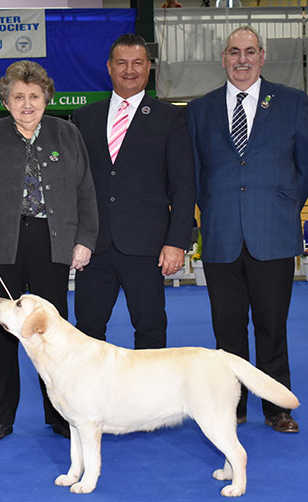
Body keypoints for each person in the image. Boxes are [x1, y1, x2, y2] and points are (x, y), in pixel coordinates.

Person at [0, 60, 98, 442]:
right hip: (0, 246)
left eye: (34, 96)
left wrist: (85, 239)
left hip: (52, 243)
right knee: (2, 334)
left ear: (45, 98)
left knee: (54, 335)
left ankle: (59, 415)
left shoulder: (67, 134)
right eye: (18, 96)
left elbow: (86, 190)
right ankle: (0, 417)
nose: (27, 104)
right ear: (5, 101)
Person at [187, 26, 308, 432]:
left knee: (272, 327)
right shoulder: (199, 110)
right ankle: (232, 406)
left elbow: (304, 167)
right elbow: (195, 174)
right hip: (221, 235)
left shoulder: (293, 103)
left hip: (272, 233)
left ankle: (277, 408)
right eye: (234, 51)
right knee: (228, 329)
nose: (242, 59)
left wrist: (287, 207)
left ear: (262, 56)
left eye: (250, 51)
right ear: (223, 58)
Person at [72, 33, 195, 350]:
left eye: (137, 63)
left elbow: (183, 185)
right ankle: (91, 400)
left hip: (148, 248)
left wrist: (177, 242)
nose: (130, 70)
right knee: (86, 332)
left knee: (151, 328)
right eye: (122, 63)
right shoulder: (83, 118)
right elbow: (73, 182)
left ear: (149, 67)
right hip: (94, 247)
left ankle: (151, 401)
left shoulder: (171, 118)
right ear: (109, 67)